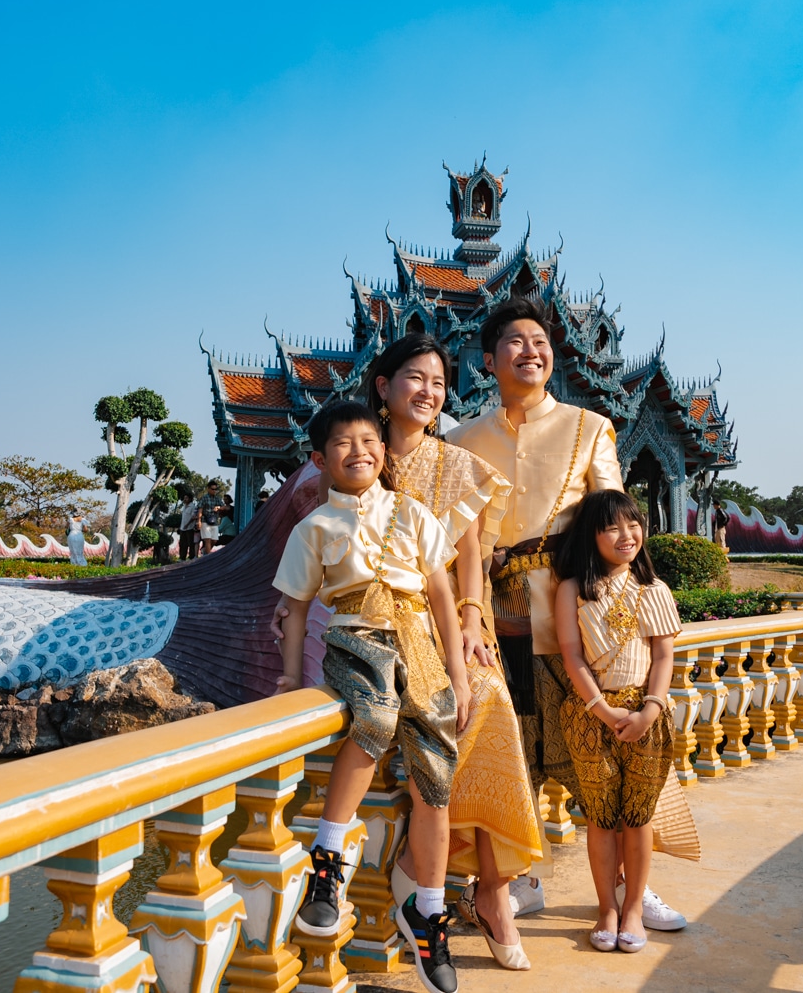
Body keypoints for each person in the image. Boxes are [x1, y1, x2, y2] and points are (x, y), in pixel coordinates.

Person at [444, 295, 687, 932]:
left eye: (540, 342)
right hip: (490, 616)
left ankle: (634, 887)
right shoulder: (460, 440)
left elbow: (614, 521)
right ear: (488, 359)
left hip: (579, 613)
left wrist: (638, 603)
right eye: (515, 342)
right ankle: (519, 880)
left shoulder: (589, 426)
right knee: (511, 749)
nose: (531, 352)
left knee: (608, 749)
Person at [273, 399, 470, 993]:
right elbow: (296, 608)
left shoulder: (413, 513)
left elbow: (441, 596)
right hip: (356, 636)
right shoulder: (313, 528)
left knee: (436, 773)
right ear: (320, 460)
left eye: (368, 441)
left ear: (383, 452)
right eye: (342, 443)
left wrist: (458, 674)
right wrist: (291, 677)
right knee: (376, 718)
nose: (358, 451)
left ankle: (426, 911)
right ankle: (327, 864)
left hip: (420, 647)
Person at [365, 334, 539, 969]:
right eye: (416, 378)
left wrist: (470, 623)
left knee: (488, 700)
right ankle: (467, 887)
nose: (429, 392)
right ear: (383, 386)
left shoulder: (457, 464)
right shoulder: (361, 455)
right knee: (447, 710)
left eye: (439, 382)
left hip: (451, 621)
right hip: (377, 623)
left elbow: (470, 559)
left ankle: (488, 888)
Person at [554, 489, 679, 954]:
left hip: (647, 715)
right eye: (611, 528)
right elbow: (571, 655)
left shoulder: (654, 589)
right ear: (592, 536)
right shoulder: (572, 589)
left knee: (637, 816)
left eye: (633, 525)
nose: (626, 536)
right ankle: (607, 907)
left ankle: (633, 909)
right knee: (601, 816)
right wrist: (602, 710)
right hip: (591, 716)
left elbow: (663, 656)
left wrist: (650, 709)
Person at [197, 479, 229, 555]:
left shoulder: (217, 498)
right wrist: (199, 521)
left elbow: (226, 507)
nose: (214, 491)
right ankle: (208, 557)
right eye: (212, 489)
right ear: (208, 489)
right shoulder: (204, 498)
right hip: (205, 520)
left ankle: (205, 551)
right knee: (207, 539)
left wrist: (219, 508)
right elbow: (200, 509)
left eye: (215, 489)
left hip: (214, 521)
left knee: (214, 540)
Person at [178, 490, 199, 562]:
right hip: (182, 528)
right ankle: (182, 558)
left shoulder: (192, 506)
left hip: (190, 528)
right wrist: (181, 526)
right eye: (184, 498)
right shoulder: (184, 506)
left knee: (190, 543)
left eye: (186, 498)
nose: (185, 499)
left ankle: (191, 557)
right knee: (182, 543)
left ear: (190, 499)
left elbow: (193, 517)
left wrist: (187, 525)